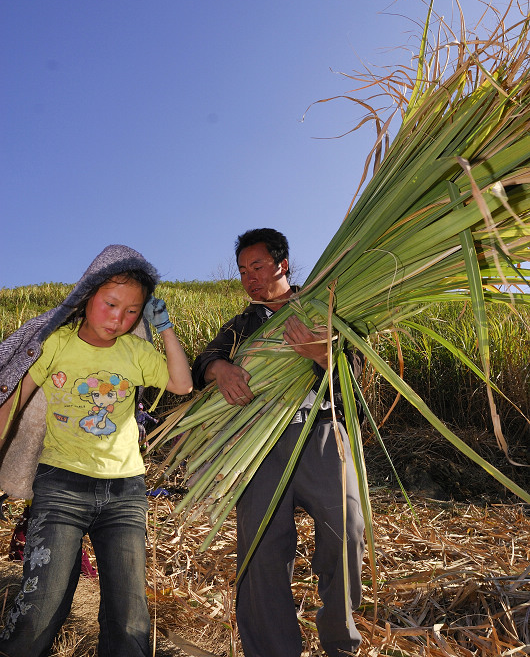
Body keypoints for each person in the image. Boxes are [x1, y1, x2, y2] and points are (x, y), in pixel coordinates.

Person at [0, 244, 192, 657]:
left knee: (130, 620)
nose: (117, 319)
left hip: (125, 492)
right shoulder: (55, 345)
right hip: (61, 487)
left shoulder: (136, 351)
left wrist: (166, 328)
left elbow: (182, 384)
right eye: (110, 304)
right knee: (39, 607)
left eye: (131, 311)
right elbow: (14, 399)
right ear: (87, 295)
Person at [192, 228, 365, 657]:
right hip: (260, 445)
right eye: (243, 271)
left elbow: (355, 367)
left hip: (322, 432)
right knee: (262, 550)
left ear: (282, 264)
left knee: (347, 533)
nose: (249, 278)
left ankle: (341, 643)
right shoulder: (241, 326)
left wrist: (323, 354)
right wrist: (222, 371)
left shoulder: (323, 305)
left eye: (258, 266)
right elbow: (203, 362)